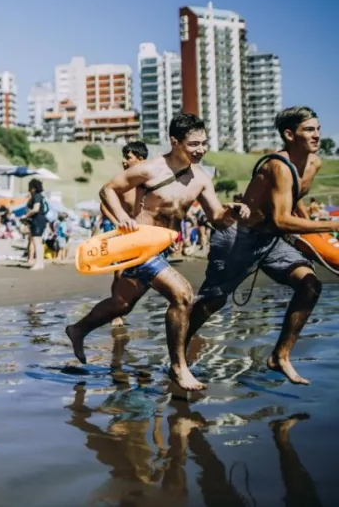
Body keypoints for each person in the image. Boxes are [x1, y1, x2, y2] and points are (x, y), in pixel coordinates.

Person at [65, 113, 248, 391]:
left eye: (204, 143)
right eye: (193, 144)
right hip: (138, 245)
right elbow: (108, 190)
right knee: (183, 295)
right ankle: (178, 367)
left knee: (122, 304)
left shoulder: (201, 178)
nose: (200, 149)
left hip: (161, 249)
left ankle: (78, 329)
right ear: (175, 142)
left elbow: (217, 218)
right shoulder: (150, 169)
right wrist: (121, 219)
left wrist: (232, 212)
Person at [187, 106, 339, 385]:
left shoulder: (314, 163)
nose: (317, 134)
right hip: (239, 237)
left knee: (310, 285)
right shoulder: (277, 166)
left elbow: (293, 200)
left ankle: (280, 356)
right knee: (213, 301)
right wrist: (330, 225)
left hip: (271, 241)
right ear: (289, 135)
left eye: (318, 128)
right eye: (309, 129)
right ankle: (178, 351)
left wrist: (314, 239)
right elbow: (282, 219)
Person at [102, 140, 149, 327]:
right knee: (119, 274)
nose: (124, 161)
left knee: (143, 277)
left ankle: (123, 307)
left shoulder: (149, 182)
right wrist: (118, 224)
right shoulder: (122, 182)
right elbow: (104, 204)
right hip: (122, 234)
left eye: (128, 157)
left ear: (141, 159)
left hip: (142, 235)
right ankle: (116, 314)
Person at [21, 178, 49, 270]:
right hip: (41, 219)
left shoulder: (37, 196)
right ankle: (40, 263)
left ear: (33, 187)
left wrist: (26, 216)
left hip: (37, 220)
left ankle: (39, 263)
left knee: (37, 242)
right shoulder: (40, 196)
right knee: (39, 242)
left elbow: (35, 209)